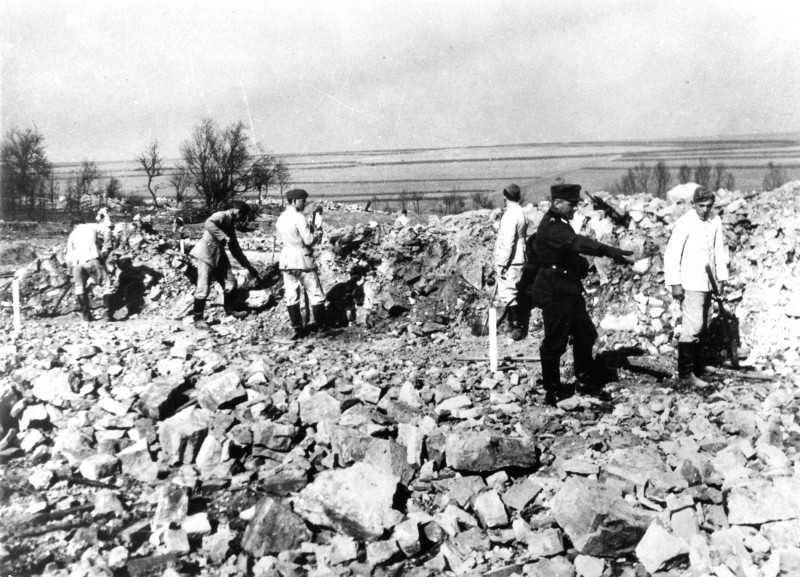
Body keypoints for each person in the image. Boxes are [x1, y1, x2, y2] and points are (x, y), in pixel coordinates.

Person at [531, 183, 634, 406]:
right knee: (554, 343)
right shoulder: (552, 226)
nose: (575, 208)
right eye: (572, 204)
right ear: (557, 203)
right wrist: (609, 251)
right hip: (555, 291)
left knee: (585, 334)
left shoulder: (560, 223)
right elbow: (578, 243)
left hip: (568, 289)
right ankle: (553, 390)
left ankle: (585, 382)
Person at [664, 185, 729, 387]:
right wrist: (675, 283)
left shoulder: (715, 220)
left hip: (709, 282)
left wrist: (722, 279)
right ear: (693, 205)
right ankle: (686, 374)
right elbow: (672, 254)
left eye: (709, 206)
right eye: (701, 206)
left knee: (705, 324)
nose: (705, 210)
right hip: (691, 282)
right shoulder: (685, 223)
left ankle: (698, 366)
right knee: (693, 327)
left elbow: (719, 251)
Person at [188, 200, 263, 329]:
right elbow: (208, 223)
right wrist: (223, 236)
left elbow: (235, 250)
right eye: (243, 216)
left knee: (230, 282)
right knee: (203, 286)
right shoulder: (222, 215)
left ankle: (230, 310)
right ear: (238, 212)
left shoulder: (231, 225)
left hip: (219, 255)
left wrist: (249, 266)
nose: (243, 219)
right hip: (206, 253)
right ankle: (198, 318)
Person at [276, 188, 337, 339]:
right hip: (301, 259)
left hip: (286, 260)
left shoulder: (280, 218)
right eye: (303, 200)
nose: (304, 203)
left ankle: (298, 329)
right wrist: (317, 233)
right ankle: (323, 328)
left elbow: (278, 241)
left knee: (291, 295)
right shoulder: (299, 217)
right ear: (295, 201)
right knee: (315, 293)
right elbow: (309, 240)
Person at [65, 210, 114, 322]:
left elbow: (68, 256)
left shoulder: (72, 234)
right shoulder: (91, 226)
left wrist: (70, 270)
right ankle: (108, 316)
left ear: (75, 225)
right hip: (92, 260)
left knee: (79, 288)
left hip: (77, 265)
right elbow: (107, 230)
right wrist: (107, 246)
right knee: (107, 285)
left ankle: (86, 317)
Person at [494, 183, 528, 341]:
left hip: (511, 260)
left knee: (508, 293)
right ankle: (513, 323)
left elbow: (508, 242)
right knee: (513, 290)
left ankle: (517, 327)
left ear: (505, 196)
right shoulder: (521, 212)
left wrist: (502, 263)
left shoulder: (509, 215)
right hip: (520, 257)